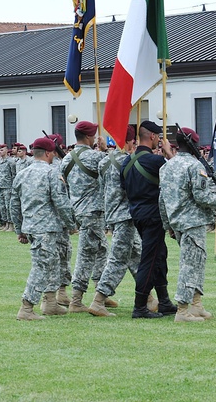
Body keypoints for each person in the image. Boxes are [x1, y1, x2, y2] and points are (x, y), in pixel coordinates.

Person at [159, 128, 216, 322]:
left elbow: (162, 199)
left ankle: (196, 304)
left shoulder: (167, 166)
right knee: (190, 265)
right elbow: (202, 196)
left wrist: (167, 224)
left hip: (177, 222)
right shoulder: (195, 166)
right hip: (192, 221)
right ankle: (182, 310)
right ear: (192, 144)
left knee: (197, 262)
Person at [10, 137, 74, 320]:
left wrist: (19, 229)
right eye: (53, 153)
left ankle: (50, 303)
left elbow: (14, 205)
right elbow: (61, 202)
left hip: (32, 226)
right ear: (48, 153)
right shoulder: (51, 173)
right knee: (42, 266)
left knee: (52, 264)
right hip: (46, 228)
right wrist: (71, 224)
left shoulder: (22, 174)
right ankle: (27, 307)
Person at [120, 121, 177, 318]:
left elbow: (123, 187)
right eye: (158, 137)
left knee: (160, 255)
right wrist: (169, 155)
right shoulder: (156, 162)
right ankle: (140, 307)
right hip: (153, 215)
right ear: (152, 137)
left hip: (137, 213)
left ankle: (164, 301)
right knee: (150, 260)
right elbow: (176, 178)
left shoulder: (126, 162)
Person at [89, 125, 144, 317]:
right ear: (130, 142)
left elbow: (103, 188)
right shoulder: (130, 161)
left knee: (137, 255)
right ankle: (99, 299)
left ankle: (150, 297)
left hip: (112, 213)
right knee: (119, 259)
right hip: (126, 215)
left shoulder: (104, 162)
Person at [61, 121, 108, 313]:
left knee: (100, 249)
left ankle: (100, 292)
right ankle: (77, 299)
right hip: (93, 211)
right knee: (87, 254)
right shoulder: (95, 157)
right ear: (90, 137)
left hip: (77, 209)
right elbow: (111, 171)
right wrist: (104, 151)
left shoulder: (66, 158)